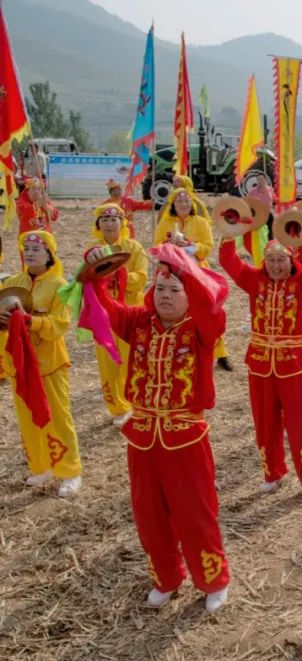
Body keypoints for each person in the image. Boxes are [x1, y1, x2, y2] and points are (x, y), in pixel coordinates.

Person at [89, 243, 231, 612]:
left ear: (189, 295)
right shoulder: (139, 322)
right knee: (148, 513)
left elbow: (208, 299)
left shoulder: (202, 328)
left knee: (195, 512)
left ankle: (212, 579)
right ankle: (166, 578)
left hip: (185, 435)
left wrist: (183, 268)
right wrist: (95, 276)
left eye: (175, 290)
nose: (166, 296)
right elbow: (105, 307)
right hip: (142, 436)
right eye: (161, 289)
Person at [220, 234, 302, 498]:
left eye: (281, 260)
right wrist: (227, 235)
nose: (276, 265)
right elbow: (228, 261)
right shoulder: (254, 281)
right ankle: (273, 472)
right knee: (265, 423)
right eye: (271, 260)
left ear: (291, 262)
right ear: (263, 262)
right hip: (259, 364)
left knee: (300, 424)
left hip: (294, 364)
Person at [0, 231, 83, 497]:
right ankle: (41, 467)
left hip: (49, 363)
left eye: (37, 248)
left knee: (57, 417)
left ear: (50, 254)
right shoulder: (13, 282)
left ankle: (70, 471)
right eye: (26, 247)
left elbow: (60, 325)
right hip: (20, 362)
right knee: (27, 417)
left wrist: (31, 321)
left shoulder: (60, 285)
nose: (30, 251)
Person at [154, 187, 231, 370]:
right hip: (173, 273)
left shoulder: (201, 222)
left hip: (198, 272)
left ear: (192, 203)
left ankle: (220, 354)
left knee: (209, 311)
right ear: (173, 204)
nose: (184, 204)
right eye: (180, 201)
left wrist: (191, 245)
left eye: (187, 201)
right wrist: (171, 246)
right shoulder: (165, 223)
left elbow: (207, 247)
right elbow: (157, 247)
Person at [87, 203, 148, 426]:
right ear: (98, 225)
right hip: (104, 315)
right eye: (105, 219)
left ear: (123, 223)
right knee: (108, 362)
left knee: (133, 359)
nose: (110, 223)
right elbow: (86, 280)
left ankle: (137, 402)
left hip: (130, 313)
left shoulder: (134, 247)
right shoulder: (93, 251)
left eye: (114, 219)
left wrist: (116, 273)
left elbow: (140, 278)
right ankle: (118, 406)